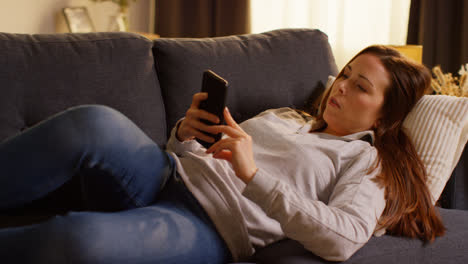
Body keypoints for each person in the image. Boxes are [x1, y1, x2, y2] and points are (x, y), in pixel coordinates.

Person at [0, 45, 445, 263]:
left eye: (361, 86)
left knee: (78, 240)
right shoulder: (288, 116)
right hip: (164, 173)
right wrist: (187, 134)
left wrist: (256, 176)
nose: (342, 85)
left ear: (384, 119)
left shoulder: (366, 163)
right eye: (346, 73)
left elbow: (344, 237)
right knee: (93, 121)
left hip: (207, 224)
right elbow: (198, 154)